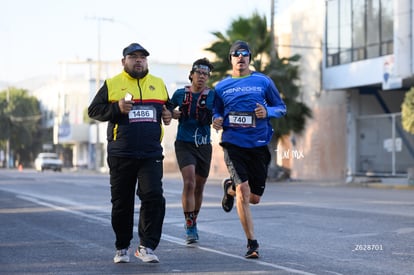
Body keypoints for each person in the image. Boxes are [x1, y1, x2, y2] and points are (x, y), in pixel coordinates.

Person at [88, 42, 173, 264]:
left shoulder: (158, 83)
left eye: (142, 57)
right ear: (123, 61)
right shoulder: (112, 84)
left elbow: (168, 107)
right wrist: (116, 108)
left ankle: (146, 246)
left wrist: (169, 114)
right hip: (121, 153)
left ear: (146, 61)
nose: (138, 60)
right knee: (122, 202)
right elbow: (93, 110)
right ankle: (122, 246)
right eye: (133, 56)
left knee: (154, 196)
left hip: (151, 153)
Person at [212, 40, 287, 258]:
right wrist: (216, 119)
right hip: (233, 143)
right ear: (231, 59)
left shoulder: (263, 81)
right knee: (244, 192)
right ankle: (251, 243)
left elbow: (281, 108)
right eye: (236, 54)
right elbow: (216, 111)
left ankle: (229, 188)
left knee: (254, 198)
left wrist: (267, 112)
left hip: (259, 144)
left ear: (249, 58)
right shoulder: (221, 87)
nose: (241, 58)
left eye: (245, 54)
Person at [171, 58, 215, 244]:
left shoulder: (213, 96)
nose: (202, 77)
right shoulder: (180, 94)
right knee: (189, 182)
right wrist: (171, 113)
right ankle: (190, 225)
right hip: (184, 143)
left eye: (205, 74)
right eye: (199, 73)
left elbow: (221, 113)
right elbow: (166, 110)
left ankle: (193, 220)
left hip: (204, 145)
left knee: (199, 186)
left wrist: (219, 120)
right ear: (191, 75)